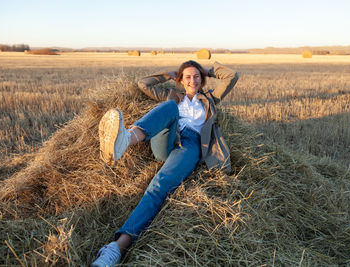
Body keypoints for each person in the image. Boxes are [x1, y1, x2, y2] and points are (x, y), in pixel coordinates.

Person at [91, 60, 239, 267]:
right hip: (168, 140)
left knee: (158, 187)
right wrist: (167, 76)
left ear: (202, 79)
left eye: (196, 76)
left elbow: (232, 76)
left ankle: (117, 248)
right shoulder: (173, 96)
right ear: (181, 80)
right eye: (187, 77)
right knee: (169, 107)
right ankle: (125, 139)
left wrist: (208, 70)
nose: (192, 80)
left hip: (190, 145)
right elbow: (144, 84)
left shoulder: (210, 98)